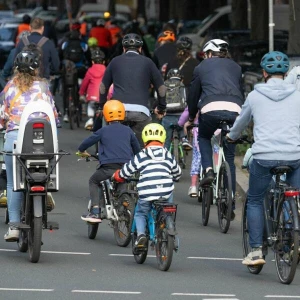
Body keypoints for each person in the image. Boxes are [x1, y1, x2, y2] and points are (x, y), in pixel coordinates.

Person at [227, 51, 300, 266]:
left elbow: (240, 123)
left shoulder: (254, 96)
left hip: (264, 156)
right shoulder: (297, 94)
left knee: (256, 198)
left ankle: (257, 251)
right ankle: (292, 234)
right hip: (295, 156)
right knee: (294, 196)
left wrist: (232, 137)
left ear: (264, 73)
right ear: (286, 73)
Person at [0, 47, 59, 241]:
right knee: (45, 168)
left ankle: (15, 226)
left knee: (12, 181)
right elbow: (54, 115)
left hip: (15, 141)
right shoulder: (43, 88)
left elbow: (2, 115)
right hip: (42, 141)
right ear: (36, 69)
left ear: (16, 68)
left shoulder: (9, 88)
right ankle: (45, 191)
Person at [186, 39, 244, 220]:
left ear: (208, 53)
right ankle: (231, 203)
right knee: (229, 158)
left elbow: (193, 95)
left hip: (210, 109)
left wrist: (191, 117)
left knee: (203, 137)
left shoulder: (201, 67)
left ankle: (209, 170)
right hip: (235, 110)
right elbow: (240, 92)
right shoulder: (236, 67)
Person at [112, 123, 182, 246]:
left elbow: (126, 171)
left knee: (140, 213)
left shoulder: (141, 156)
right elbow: (177, 173)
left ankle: (141, 235)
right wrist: (175, 177)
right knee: (167, 208)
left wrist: (118, 175)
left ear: (144, 139)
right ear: (163, 139)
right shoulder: (168, 155)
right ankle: (166, 224)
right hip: (165, 191)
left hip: (147, 191)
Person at [77, 100, 140, 223]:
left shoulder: (103, 130)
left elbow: (88, 141)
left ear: (106, 116)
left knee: (94, 181)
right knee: (123, 182)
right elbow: (137, 150)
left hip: (108, 167)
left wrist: (81, 150)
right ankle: (123, 205)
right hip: (125, 168)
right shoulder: (128, 131)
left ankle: (95, 211)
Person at [99, 33, 167, 147]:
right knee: (141, 148)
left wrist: (101, 106)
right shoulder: (148, 62)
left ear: (124, 48)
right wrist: (161, 107)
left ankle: (107, 155)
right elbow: (161, 88)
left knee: (109, 142)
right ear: (140, 49)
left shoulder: (115, 61)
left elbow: (103, 87)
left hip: (117, 111)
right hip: (141, 113)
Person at [161, 68, 192, 150]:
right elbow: (187, 100)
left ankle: (165, 151)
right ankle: (184, 139)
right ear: (181, 78)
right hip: (180, 114)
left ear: (168, 77)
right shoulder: (182, 86)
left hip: (167, 115)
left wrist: (158, 109)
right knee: (181, 125)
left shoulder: (164, 85)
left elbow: (160, 99)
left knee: (166, 139)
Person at [79, 48, 106, 130]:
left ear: (92, 62)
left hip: (92, 97)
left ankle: (90, 120)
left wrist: (81, 93)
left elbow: (84, 83)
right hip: (103, 97)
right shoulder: (107, 70)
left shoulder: (90, 71)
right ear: (104, 61)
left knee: (91, 106)